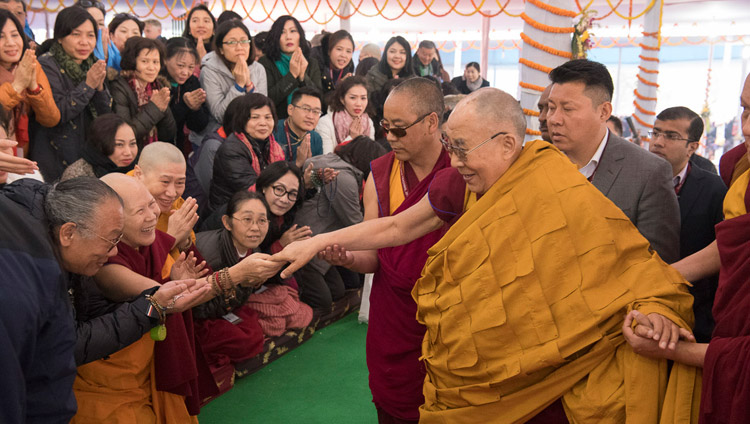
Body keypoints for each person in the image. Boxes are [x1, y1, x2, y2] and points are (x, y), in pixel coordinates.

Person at [273, 87, 700, 423]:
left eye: (461, 148)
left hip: (547, 373)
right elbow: (397, 225)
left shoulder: (556, 187)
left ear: (507, 144)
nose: (453, 161)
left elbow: (631, 267)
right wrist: (314, 242)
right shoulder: (459, 183)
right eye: (450, 147)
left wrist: (656, 309)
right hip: (480, 364)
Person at [314, 78, 454, 422]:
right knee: (393, 404)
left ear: (432, 122)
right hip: (393, 313)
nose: (390, 137)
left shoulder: (462, 168)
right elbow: (374, 255)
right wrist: (347, 257)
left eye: (400, 129)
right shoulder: (379, 173)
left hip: (449, 310)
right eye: (385, 127)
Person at [626, 72, 750, 424]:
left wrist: (678, 349)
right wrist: (656, 280)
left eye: (671, 136)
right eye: (744, 111)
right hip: (718, 317)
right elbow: (728, 245)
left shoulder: (713, 186)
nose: (746, 129)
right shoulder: (741, 167)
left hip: (708, 323)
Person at [547, 59, 680, 263]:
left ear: (604, 112)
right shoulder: (542, 163)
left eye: (567, 109)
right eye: (551, 107)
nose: (554, 119)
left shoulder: (648, 172)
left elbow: (657, 265)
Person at [647, 106, 726, 343]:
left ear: (692, 147)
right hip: (636, 298)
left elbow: (720, 251)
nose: (658, 142)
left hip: (694, 311)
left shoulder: (714, 189)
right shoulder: (634, 178)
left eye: (670, 136)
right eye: (655, 133)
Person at [294, 136, 385, 309]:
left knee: (341, 289)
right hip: (309, 241)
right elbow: (355, 224)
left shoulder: (327, 161)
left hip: (317, 237)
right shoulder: (343, 177)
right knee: (325, 299)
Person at [29, 6, 111, 182]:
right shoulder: (46, 65)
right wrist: (88, 84)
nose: (84, 42)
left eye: (90, 35)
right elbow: (58, 112)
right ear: (59, 37)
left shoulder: (92, 63)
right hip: (54, 154)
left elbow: (106, 115)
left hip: (86, 154)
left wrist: (99, 88)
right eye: (76, 34)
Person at [193, 191, 271, 368]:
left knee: (253, 328)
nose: (256, 228)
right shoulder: (209, 256)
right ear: (227, 223)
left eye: (262, 220)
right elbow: (198, 309)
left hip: (225, 308)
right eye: (247, 219)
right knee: (246, 339)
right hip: (198, 316)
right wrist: (242, 283)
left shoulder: (255, 250)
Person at [209, 93, 285, 212]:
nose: (263, 123)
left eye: (267, 117)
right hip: (229, 213)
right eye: (255, 117)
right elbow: (253, 190)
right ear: (242, 120)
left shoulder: (276, 148)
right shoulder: (232, 149)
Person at [0, 9, 60, 151]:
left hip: (22, 151)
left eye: (15, 35)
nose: (10, 43)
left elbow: (52, 119)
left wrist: (34, 88)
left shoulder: (28, 64)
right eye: (1, 37)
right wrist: (17, 85)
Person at [131, 142, 198, 258]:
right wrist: (172, 237)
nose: (172, 193)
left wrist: (184, 241)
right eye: (165, 182)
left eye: (180, 183)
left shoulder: (177, 204)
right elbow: (137, 266)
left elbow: (189, 250)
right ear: (138, 174)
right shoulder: (122, 207)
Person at [201, 19, 267, 136]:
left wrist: (249, 85)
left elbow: (263, 110)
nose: (239, 47)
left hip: (251, 134)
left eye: (244, 41)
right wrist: (239, 86)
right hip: (218, 135)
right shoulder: (209, 70)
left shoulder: (258, 69)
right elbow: (220, 115)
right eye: (232, 43)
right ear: (221, 48)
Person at [109, 36, 176, 146]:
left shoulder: (158, 86)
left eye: (155, 62)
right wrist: (155, 108)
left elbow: (169, 134)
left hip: (154, 153)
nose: (151, 67)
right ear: (132, 61)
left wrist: (163, 108)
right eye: (145, 61)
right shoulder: (120, 87)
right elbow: (125, 134)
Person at [258, 15, 322, 120]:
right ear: (275, 37)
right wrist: (292, 76)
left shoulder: (311, 63)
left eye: (293, 31)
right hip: (276, 124)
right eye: (282, 32)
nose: (288, 37)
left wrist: (302, 77)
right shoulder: (266, 62)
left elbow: (319, 100)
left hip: (307, 124)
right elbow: (268, 99)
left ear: (300, 35)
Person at [163, 37, 209, 152]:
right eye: (180, 65)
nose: (185, 72)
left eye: (191, 67)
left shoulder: (192, 82)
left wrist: (196, 108)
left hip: (178, 146)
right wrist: (184, 104)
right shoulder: (156, 82)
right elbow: (164, 127)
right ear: (165, 59)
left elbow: (198, 126)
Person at [61, 113, 137, 180]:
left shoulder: (139, 171)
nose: (128, 152)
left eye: (132, 143)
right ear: (101, 144)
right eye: (119, 144)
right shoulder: (78, 175)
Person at [316, 76, 375, 154]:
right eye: (353, 98)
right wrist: (351, 138)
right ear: (342, 99)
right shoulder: (325, 123)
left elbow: (371, 155)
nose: (359, 104)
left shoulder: (368, 122)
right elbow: (327, 159)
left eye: (363, 98)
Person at [272, 86, 324, 167]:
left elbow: (316, 175)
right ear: (290, 110)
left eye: (316, 111)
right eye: (306, 109)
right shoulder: (273, 132)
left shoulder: (316, 139)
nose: (310, 116)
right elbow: (268, 174)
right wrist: (298, 163)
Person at [312, 29, 355, 95]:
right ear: (329, 50)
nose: (343, 55)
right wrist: (338, 87)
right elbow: (318, 96)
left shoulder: (349, 68)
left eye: (348, 51)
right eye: (339, 49)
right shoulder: (315, 65)